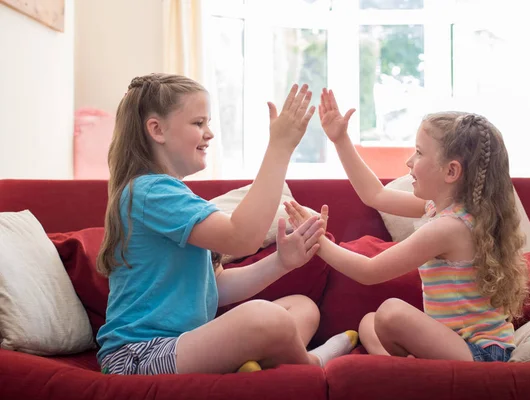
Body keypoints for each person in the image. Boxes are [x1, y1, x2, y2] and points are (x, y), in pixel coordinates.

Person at [95, 74, 358, 375]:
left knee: (302, 307)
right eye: (198, 123)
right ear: (157, 130)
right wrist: (280, 147)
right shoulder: (149, 192)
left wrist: (281, 262)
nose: (209, 134)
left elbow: (215, 287)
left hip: (184, 345)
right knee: (264, 318)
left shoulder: (172, 195)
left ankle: (253, 364)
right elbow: (242, 238)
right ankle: (313, 363)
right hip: (139, 356)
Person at [284, 88, 530, 362]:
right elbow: (374, 195)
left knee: (391, 313)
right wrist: (341, 140)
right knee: (369, 322)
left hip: (480, 354)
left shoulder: (449, 227)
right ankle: (404, 366)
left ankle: (403, 367)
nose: (409, 161)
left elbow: (369, 271)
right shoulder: (440, 210)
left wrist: (317, 241)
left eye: (419, 153)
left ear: (451, 171)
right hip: (455, 343)